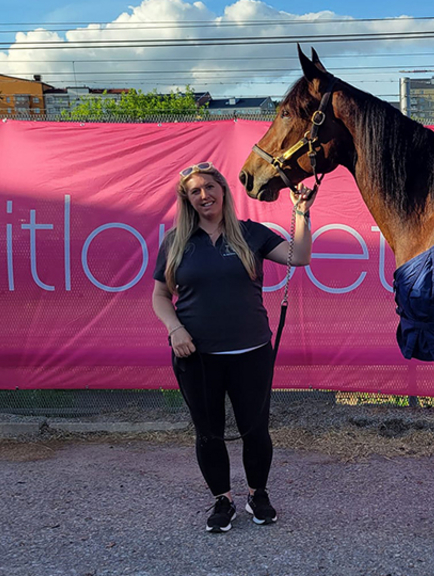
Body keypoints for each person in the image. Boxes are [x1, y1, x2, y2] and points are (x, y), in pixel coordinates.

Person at [151, 161, 315, 533]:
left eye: (209, 187)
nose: (204, 195)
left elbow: (300, 256)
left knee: (255, 429)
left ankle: (258, 494)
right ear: (187, 199)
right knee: (207, 432)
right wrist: (175, 329)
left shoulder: (250, 234)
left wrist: (301, 213)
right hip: (196, 356)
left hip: (251, 352)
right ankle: (222, 499)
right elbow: (161, 296)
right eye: (195, 191)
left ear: (223, 190)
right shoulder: (175, 242)